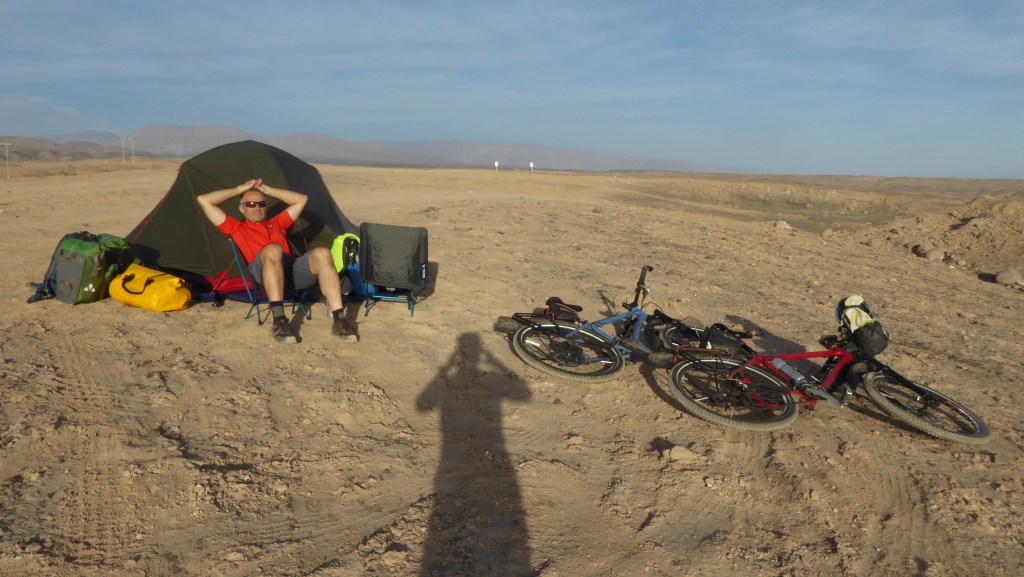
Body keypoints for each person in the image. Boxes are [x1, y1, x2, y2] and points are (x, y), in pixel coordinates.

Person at [197, 179, 357, 344]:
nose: (257, 207)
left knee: (323, 253)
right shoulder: (235, 227)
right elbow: (204, 200)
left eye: (262, 203)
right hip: (262, 274)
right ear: (242, 208)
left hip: (289, 272)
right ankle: (279, 320)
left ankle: (339, 318)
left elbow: (301, 199)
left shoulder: (277, 223)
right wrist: (239, 190)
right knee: (273, 249)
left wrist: (268, 190)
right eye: (250, 204)